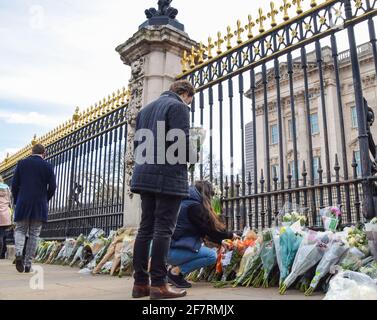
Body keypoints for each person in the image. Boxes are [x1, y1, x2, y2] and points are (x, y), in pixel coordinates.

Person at [131, 80, 196, 300]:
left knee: (145, 228)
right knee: (163, 229)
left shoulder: (145, 110)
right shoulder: (178, 107)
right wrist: (194, 152)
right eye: (190, 99)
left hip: (144, 172)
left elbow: (137, 145)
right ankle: (158, 284)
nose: (189, 103)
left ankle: (140, 283)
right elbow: (181, 142)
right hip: (167, 175)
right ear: (185, 94)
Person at [167, 181, 238, 288]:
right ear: (206, 194)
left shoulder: (186, 202)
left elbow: (203, 230)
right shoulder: (194, 207)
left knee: (204, 251)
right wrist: (230, 235)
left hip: (169, 248)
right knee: (211, 256)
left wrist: (220, 241)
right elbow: (209, 230)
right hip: (173, 251)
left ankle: (173, 270)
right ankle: (175, 273)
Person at [11, 143, 56, 273]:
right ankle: (28, 264)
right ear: (44, 153)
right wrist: (45, 199)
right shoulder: (48, 166)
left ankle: (19, 253)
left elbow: (14, 185)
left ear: (32, 152)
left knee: (20, 230)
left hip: (23, 202)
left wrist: (17, 199)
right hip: (39, 203)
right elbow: (52, 187)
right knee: (34, 234)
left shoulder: (21, 163)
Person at [0, 175, 12, 259]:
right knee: (2, 234)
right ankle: (2, 253)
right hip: (5, 213)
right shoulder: (7, 188)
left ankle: (1, 251)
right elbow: (10, 200)